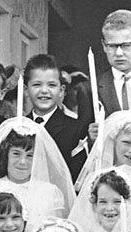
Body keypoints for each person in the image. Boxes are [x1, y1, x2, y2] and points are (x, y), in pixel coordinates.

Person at [0, 117, 76, 232]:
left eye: (30, 156)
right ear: (6, 155)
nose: (23, 162)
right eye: (16, 154)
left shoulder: (50, 192)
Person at [24, 53, 89, 181]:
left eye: (52, 85)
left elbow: (76, 177)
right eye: (37, 85)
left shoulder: (76, 129)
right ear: (26, 90)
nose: (44, 91)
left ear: (61, 91)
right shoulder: (18, 126)